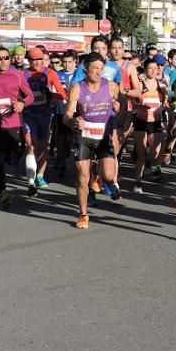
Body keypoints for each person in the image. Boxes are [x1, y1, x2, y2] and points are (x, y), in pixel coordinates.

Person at [64, 53, 124, 229]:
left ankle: (96, 171)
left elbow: (119, 104)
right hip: (83, 136)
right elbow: (66, 117)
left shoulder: (111, 86)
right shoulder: (77, 88)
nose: (98, 72)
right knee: (82, 177)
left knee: (109, 176)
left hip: (103, 136)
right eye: (94, 69)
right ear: (85, 70)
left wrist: (117, 107)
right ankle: (83, 214)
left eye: (101, 68)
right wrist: (73, 121)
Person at [0, 46, 34, 208]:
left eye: (5, 57)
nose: (3, 61)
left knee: (12, 158)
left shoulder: (17, 76)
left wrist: (22, 103)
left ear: (10, 59)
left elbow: (30, 95)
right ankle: (3, 191)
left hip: (14, 124)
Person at [23, 47, 67, 194]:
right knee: (30, 145)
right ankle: (31, 181)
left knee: (42, 146)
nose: (36, 63)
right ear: (29, 60)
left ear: (43, 60)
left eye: (39, 60)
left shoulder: (49, 73)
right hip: (28, 114)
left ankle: (40, 175)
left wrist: (50, 95)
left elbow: (62, 94)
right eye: (33, 60)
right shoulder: (23, 74)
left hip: (45, 114)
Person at [126, 57, 170, 193]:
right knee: (141, 154)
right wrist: (141, 105)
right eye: (149, 68)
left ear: (158, 70)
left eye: (155, 68)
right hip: (141, 121)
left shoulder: (161, 86)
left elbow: (166, 104)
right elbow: (132, 103)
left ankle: (149, 163)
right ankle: (138, 182)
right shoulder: (139, 85)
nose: (152, 71)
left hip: (156, 121)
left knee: (156, 153)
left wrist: (171, 107)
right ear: (145, 70)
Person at [52, 50, 78, 177]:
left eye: (70, 62)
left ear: (75, 62)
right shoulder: (56, 74)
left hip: (76, 112)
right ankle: (62, 163)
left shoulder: (80, 75)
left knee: (71, 138)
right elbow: (52, 91)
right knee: (61, 138)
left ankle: (67, 152)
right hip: (60, 111)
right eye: (65, 62)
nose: (67, 65)